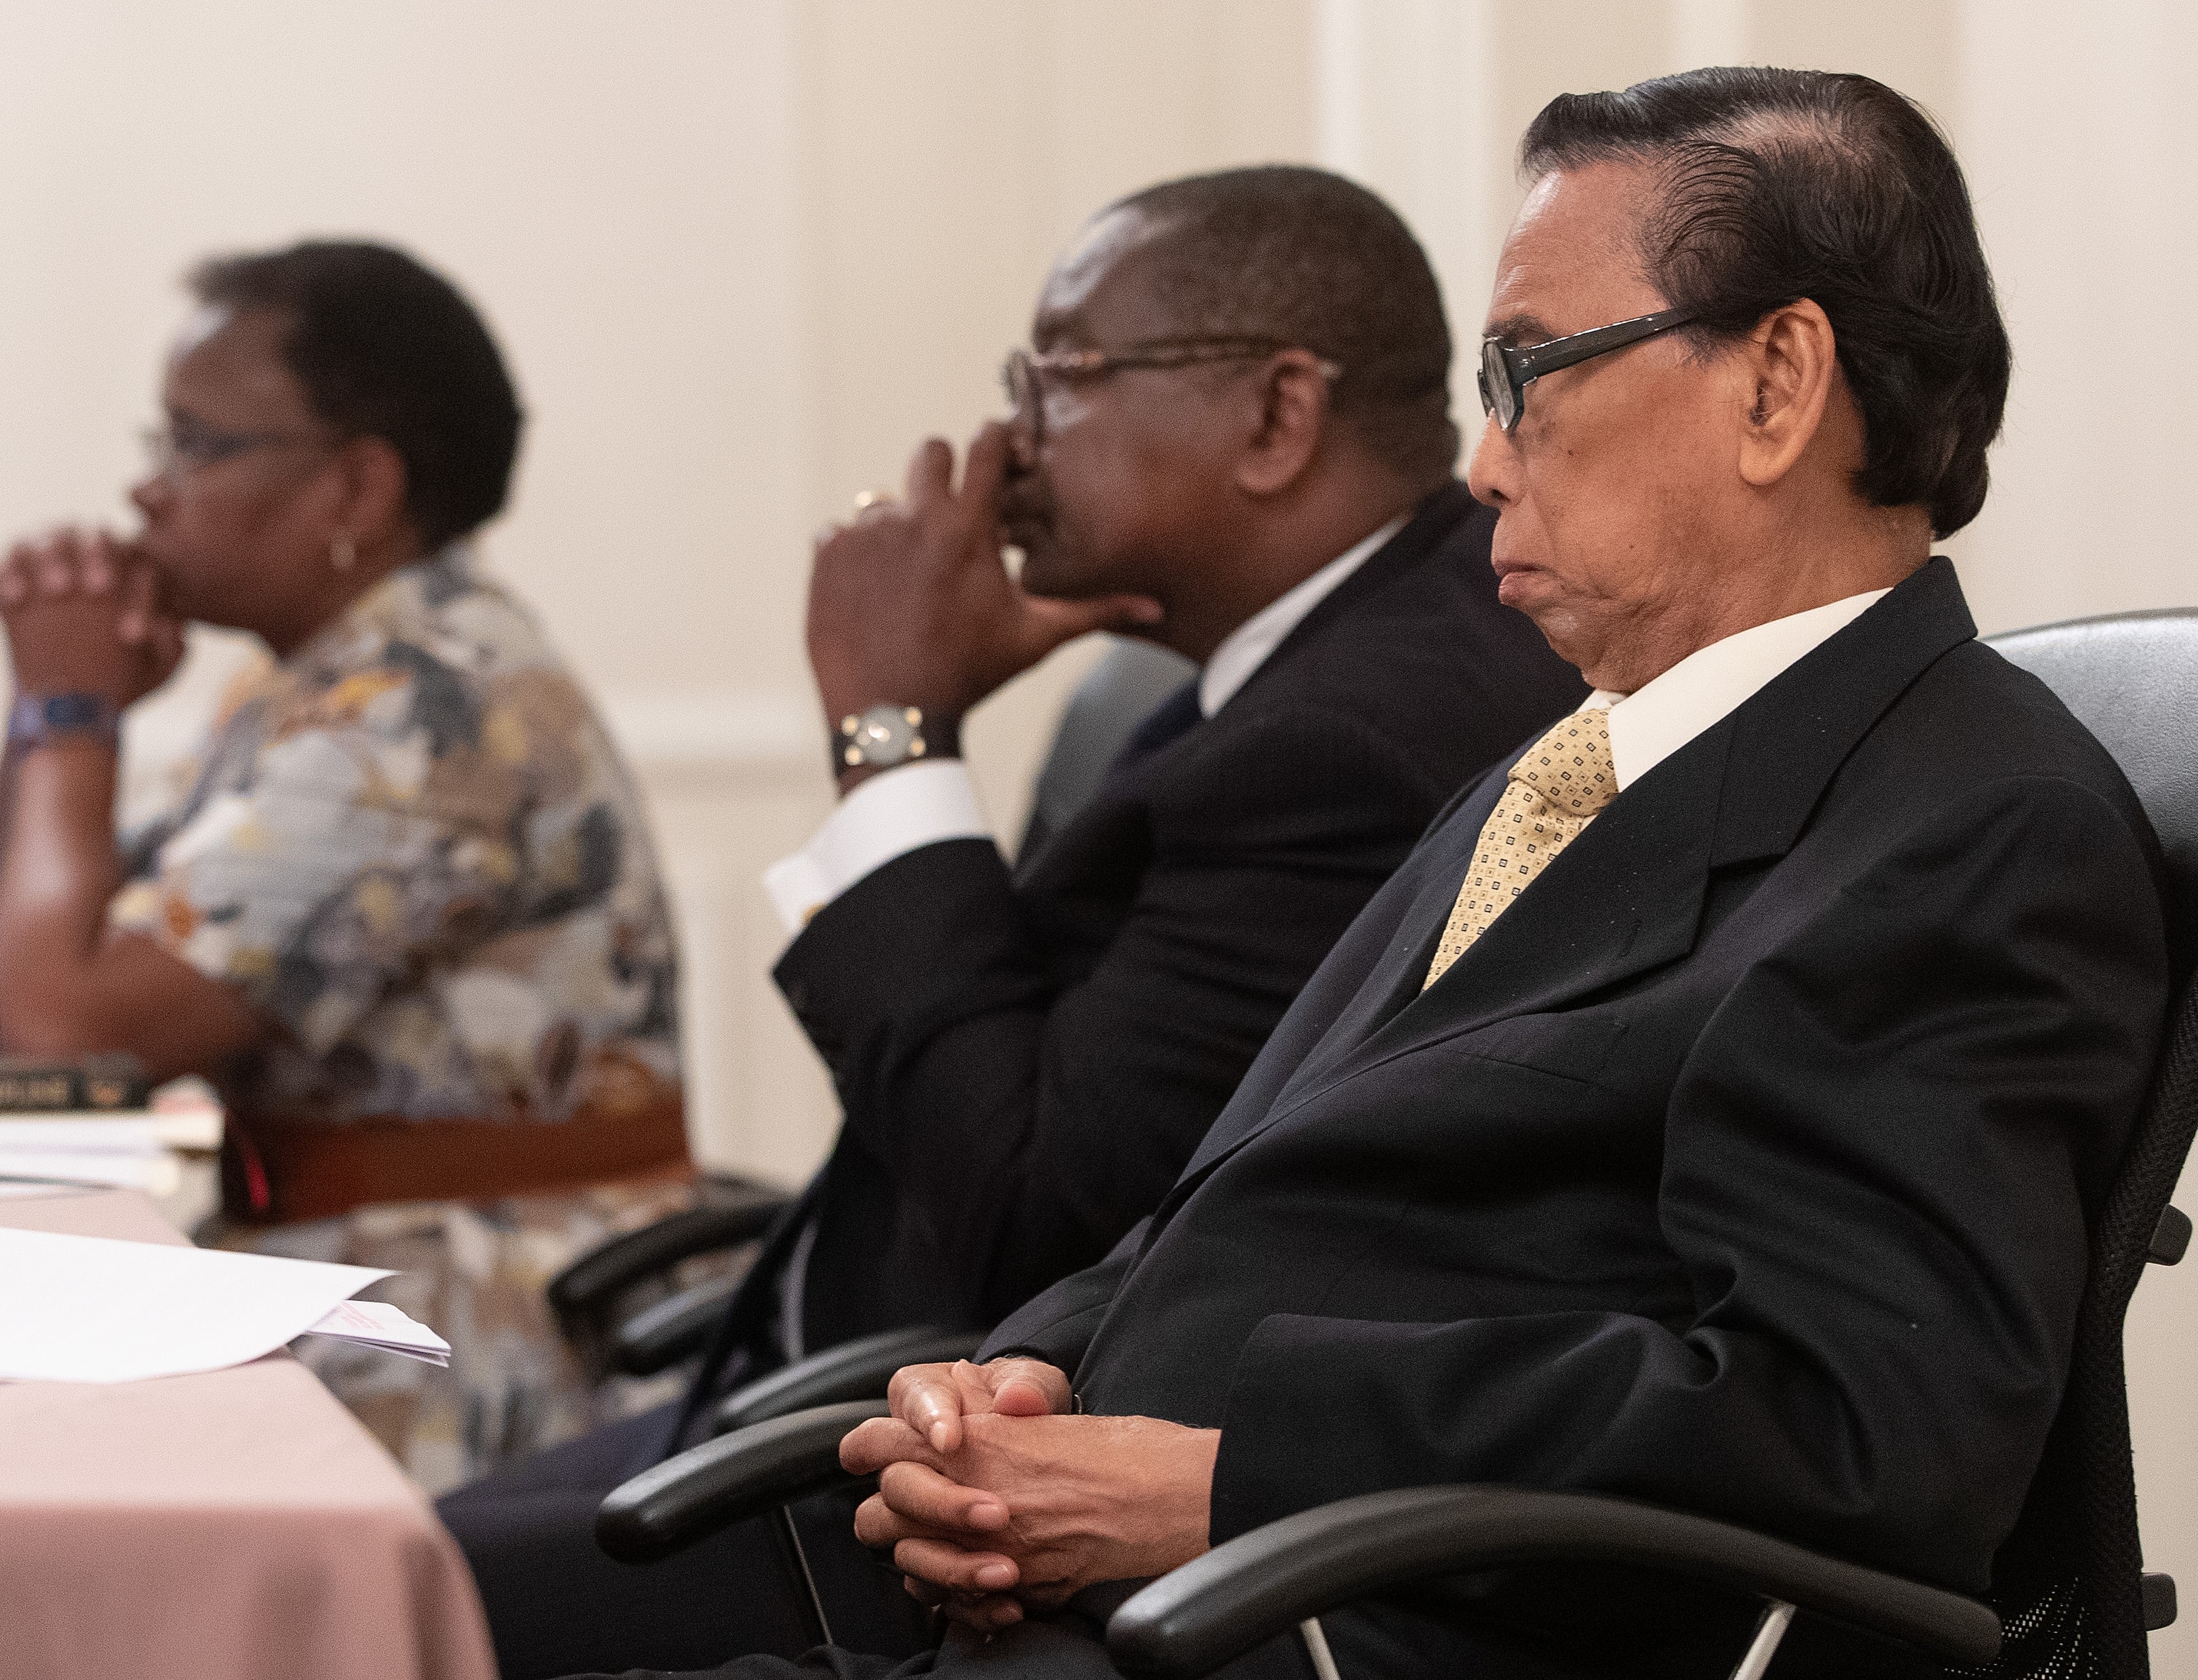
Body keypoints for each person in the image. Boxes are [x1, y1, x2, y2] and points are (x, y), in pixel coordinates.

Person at [573, 66, 2175, 1680]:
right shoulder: (1572, 762)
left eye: (1525, 374)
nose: (1481, 465)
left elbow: (1857, 1431)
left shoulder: (1973, 827)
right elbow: (1253, 1196)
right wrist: (1015, 1384)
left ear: (1775, 384)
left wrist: (1220, 1483)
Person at [440, 166, 1585, 1678]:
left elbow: (1030, 1210)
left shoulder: (1355, 731)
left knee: (353, 1591)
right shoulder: (1273, 677)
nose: (1001, 448)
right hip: (880, 1410)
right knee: (341, 1554)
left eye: (1057, 378)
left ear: (1274, 417)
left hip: (1009, 1500)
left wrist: (891, 737)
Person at [0, 241, 694, 1487]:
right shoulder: (322, 679)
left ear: (357, 487)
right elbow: (15, 1024)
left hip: (470, 1329)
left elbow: (56, 1039)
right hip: (353, 1263)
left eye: (194, 445)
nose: (147, 493)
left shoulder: (420, 708)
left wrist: (70, 713)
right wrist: (52, 715)